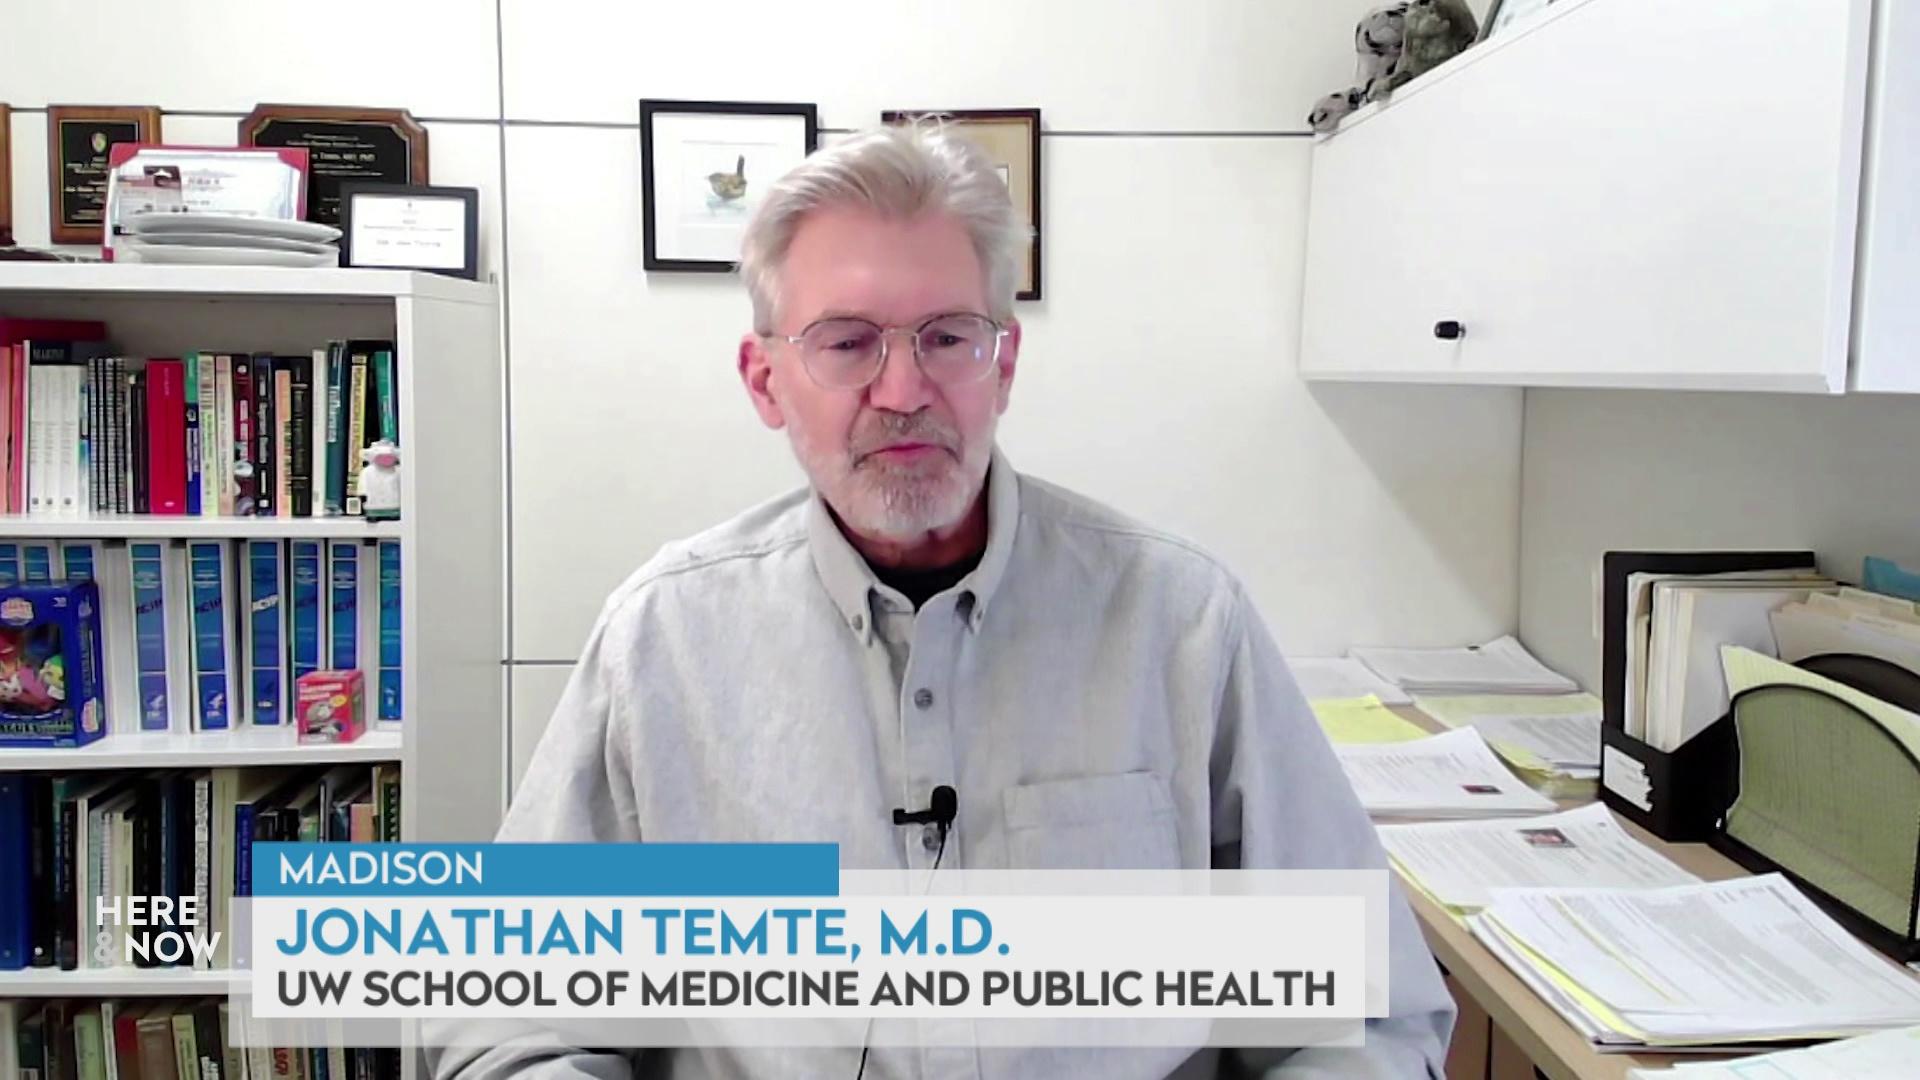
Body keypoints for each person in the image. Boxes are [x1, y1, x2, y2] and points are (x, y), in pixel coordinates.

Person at [433, 122, 1454, 1079]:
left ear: (1002, 364)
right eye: (846, 342)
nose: (905, 390)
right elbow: (515, 1011)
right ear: (764, 380)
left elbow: (1367, 1015)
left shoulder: (1182, 622)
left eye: (948, 338)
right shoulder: (662, 639)